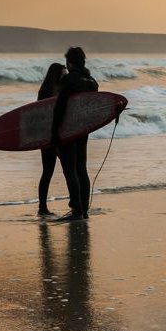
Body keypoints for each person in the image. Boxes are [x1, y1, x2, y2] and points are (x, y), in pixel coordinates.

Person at [50, 47, 98, 222]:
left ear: (69, 63)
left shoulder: (69, 79)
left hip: (69, 130)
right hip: (84, 130)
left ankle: (76, 210)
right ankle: (84, 209)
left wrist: (54, 132)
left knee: (70, 169)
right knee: (81, 168)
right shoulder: (92, 81)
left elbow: (60, 107)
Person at [37, 62, 66, 216]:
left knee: (47, 172)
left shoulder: (46, 90)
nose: (65, 76)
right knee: (64, 170)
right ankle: (43, 207)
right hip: (52, 137)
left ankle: (42, 208)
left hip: (47, 136)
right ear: (57, 75)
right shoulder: (49, 91)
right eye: (63, 74)